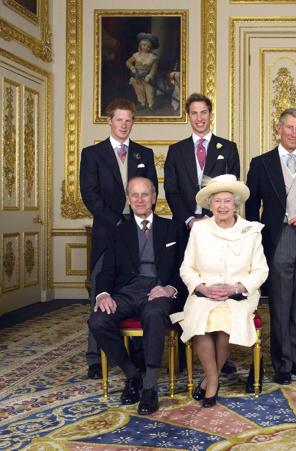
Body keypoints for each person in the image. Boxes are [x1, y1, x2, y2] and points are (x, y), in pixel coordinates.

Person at [245, 108, 296, 385]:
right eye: (290, 128)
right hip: (276, 238)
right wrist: (255, 241)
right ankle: (282, 364)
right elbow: (250, 207)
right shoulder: (261, 164)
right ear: (278, 129)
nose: (295, 133)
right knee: (280, 304)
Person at [88, 177, 185, 415]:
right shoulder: (118, 230)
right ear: (128, 200)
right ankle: (132, 375)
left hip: (158, 290)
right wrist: (102, 295)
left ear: (154, 198)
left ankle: (150, 387)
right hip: (127, 291)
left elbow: (184, 268)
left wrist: (169, 289)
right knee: (97, 321)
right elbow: (107, 270)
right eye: (135, 195)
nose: (140, 200)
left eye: (145, 195)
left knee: (154, 314)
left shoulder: (173, 228)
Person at [170, 174, 269, 407]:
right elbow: (187, 268)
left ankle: (208, 382)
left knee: (225, 322)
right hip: (205, 292)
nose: (222, 206)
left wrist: (237, 288)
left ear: (235, 204)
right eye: (217, 201)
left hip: (238, 294)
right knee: (201, 323)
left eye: (227, 201)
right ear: (210, 205)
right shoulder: (199, 230)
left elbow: (261, 271)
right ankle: (213, 379)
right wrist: (201, 287)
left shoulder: (251, 230)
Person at [80, 98, 158, 380]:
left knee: (135, 288)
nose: (124, 125)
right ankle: (94, 356)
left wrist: (138, 222)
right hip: (108, 232)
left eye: (128, 120)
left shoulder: (143, 154)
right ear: (109, 121)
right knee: (101, 293)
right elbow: (90, 194)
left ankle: (137, 353)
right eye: (119, 119)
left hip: (138, 231)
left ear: (133, 123)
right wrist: (118, 222)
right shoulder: (92, 154)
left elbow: (151, 191)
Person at [164, 93, 240, 230]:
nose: (199, 118)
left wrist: (210, 217)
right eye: (194, 113)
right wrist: (189, 220)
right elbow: (171, 191)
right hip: (183, 226)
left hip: (218, 223)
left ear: (210, 115)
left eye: (203, 112)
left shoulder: (229, 148)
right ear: (189, 117)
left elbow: (232, 188)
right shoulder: (175, 151)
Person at [126, 33, 159, 110]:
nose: (146, 48)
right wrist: (132, 67)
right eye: (144, 45)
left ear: (150, 48)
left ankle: (151, 104)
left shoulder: (153, 57)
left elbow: (154, 68)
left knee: (149, 90)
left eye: (148, 46)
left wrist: (149, 76)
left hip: (147, 77)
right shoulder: (136, 55)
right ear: (140, 46)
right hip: (137, 76)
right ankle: (142, 103)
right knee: (139, 90)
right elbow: (128, 62)